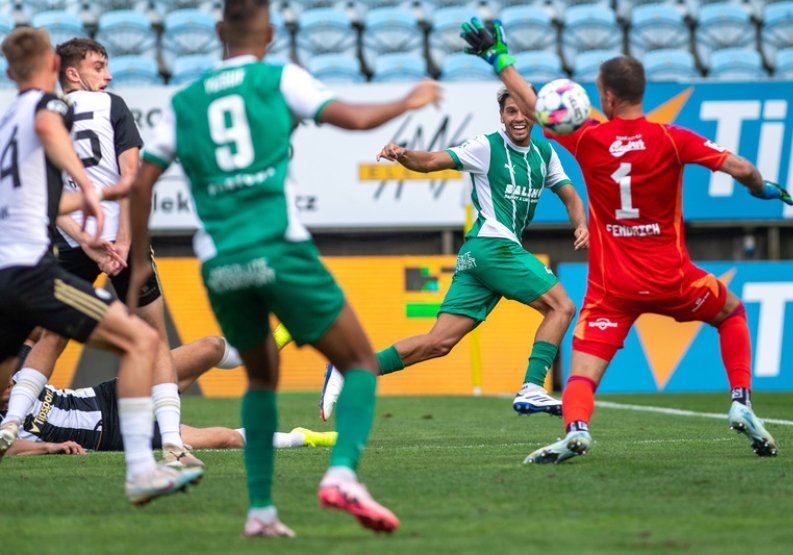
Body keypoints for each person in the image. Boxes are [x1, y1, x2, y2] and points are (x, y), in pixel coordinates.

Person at [128, 0, 441, 538]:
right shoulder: (279, 78)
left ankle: (261, 511)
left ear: (219, 31)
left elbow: (141, 183)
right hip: (279, 248)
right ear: (271, 33)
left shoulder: (184, 100)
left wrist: (138, 264)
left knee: (260, 380)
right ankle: (342, 475)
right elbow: (354, 118)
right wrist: (408, 100)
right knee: (359, 362)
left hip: (220, 265)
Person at [460, 19, 792, 464]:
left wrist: (500, 60)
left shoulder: (589, 138)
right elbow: (742, 168)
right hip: (673, 279)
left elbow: (537, 108)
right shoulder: (673, 139)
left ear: (608, 98)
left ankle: (577, 429)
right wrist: (761, 188)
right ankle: (740, 401)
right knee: (732, 313)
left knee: (582, 375)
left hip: (613, 289)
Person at [0, 27, 203, 505]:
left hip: (33, 256)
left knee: (40, 343)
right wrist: (96, 197)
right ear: (59, 70)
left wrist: (86, 226)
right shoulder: (64, 106)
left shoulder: (7, 120)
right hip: (47, 264)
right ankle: (162, 452)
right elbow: (125, 171)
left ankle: (10, 425)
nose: (107, 76)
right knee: (146, 340)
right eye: (99, 67)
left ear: (9, 71)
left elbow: (44, 200)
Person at [319, 87, 589, 422]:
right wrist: (403, 154)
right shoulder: (487, 147)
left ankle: (351, 368)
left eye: (524, 111)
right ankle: (533, 387)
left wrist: (581, 224)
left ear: (535, 114)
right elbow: (432, 161)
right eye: (510, 112)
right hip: (494, 247)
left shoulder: (544, 152)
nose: (518, 118)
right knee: (562, 306)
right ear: (502, 116)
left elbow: (571, 196)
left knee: (438, 343)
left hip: (478, 257)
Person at [1, 336, 337, 456]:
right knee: (224, 439)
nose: (9, 388)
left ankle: (278, 337)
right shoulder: (6, 424)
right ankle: (303, 438)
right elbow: (9, 448)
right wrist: (50, 447)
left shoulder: (17, 371)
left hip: (112, 395)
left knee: (211, 347)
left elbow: (35, 331)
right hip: (116, 435)